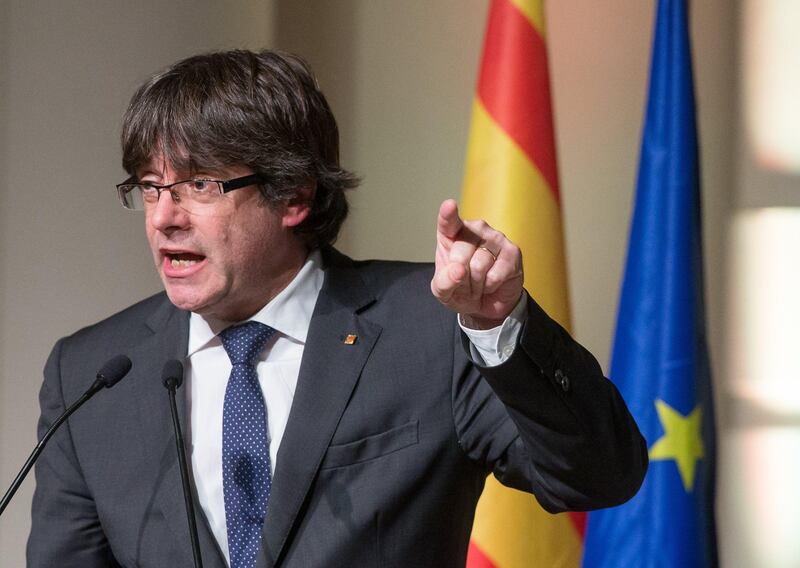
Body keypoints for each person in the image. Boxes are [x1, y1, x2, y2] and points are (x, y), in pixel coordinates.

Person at [27, 49, 647, 568]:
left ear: (293, 194)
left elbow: (598, 477)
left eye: (200, 185)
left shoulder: (433, 331)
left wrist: (498, 328)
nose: (164, 216)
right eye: (150, 187)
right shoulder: (93, 375)